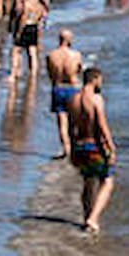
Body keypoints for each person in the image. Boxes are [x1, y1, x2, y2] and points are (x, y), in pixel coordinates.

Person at [67, 67, 117, 233]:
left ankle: (86, 218)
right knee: (107, 182)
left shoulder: (73, 99)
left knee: (88, 183)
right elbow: (102, 126)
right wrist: (111, 147)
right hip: (95, 146)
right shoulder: (96, 99)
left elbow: (70, 128)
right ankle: (93, 219)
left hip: (79, 145)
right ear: (95, 80)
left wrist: (72, 149)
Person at [46, 29, 83, 160]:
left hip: (58, 88)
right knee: (74, 122)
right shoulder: (76, 55)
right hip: (73, 88)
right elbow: (79, 71)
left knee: (62, 123)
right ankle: (74, 149)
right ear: (70, 40)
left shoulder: (51, 55)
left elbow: (50, 74)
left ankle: (66, 150)